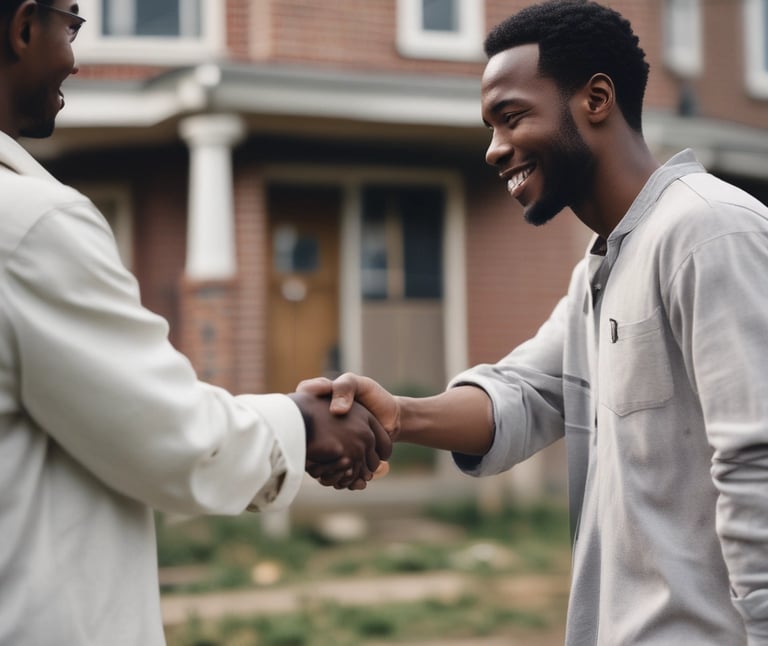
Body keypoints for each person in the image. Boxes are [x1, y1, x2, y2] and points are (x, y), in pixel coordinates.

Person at [300, 1, 768, 644]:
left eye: (511, 117)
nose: (495, 150)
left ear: (595, 99)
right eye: (489, 127)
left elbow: (757, 463)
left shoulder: (708, 231)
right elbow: (522, 395)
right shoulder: (600, 270)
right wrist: (395, 417)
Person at [0, 1, 390, 644]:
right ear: (21, 27)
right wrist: (303, 422)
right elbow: (177, 437)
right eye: (70, 26)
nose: (73, 57)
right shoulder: (32, 227)